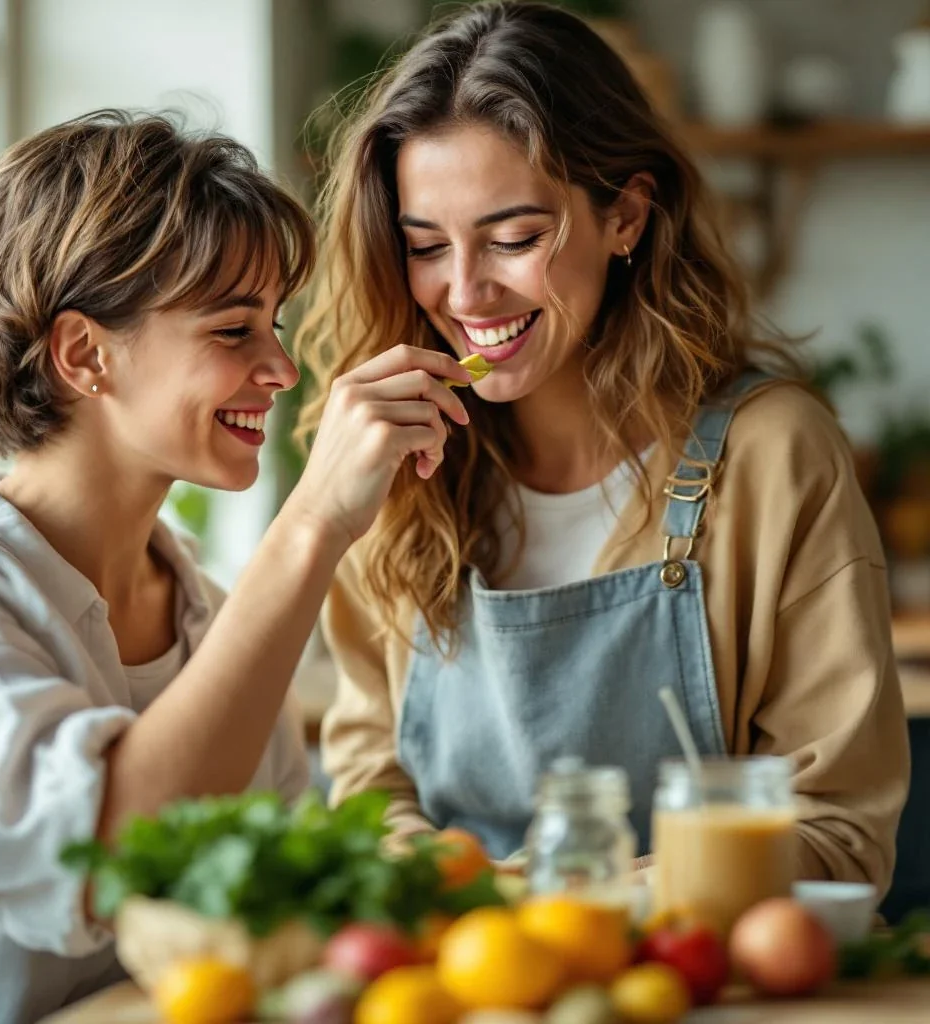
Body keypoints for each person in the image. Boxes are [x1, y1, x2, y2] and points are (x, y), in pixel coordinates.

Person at [297, 0, 910, 892]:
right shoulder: (394, 463)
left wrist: (581, 903)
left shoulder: (774, 456)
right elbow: (368, 789)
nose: (466, 292)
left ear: (625, 214)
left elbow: (839, 833)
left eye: (515, 238)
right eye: (425, 245)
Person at [0, 111, 470, 1023]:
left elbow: (280, 910)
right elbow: (105, 857)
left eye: (274, 325)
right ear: (86, 353)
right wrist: (315, 523)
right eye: (232, 330)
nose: (283, 368)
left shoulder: (203, 610)